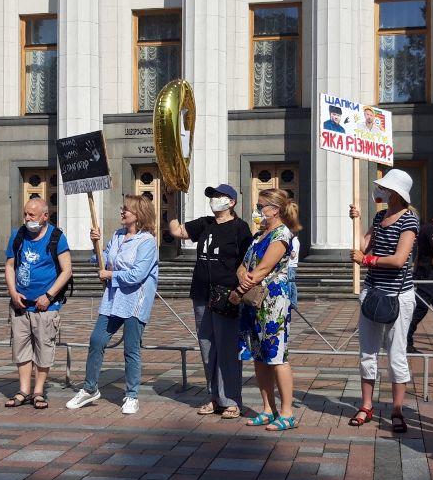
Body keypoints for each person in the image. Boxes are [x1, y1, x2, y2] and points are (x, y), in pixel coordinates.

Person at [68, 196, 160, 415]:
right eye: (122, 208)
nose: (122, 212)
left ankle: (132, 395)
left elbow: (137, 274)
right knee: (97, 340)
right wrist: (95, 244)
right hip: (112, 299)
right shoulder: (118, 235)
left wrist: (110, 275)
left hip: (135, 300)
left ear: (138, 214)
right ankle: (90, 388)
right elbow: (104, 259)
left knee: (131, 348)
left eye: (126, 209)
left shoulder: (147, 242)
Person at [169, 184, 252, 418]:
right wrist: (171, 199)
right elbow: (177, 231)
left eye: (219, 196)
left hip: (227, 295)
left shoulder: (240, 227)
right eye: (212, 196)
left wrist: (240, 289)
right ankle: (214, 397)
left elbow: (247, 259)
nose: (214, 199)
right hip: (202, 293)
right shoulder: (205, 223)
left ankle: (231, 400)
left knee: (227, 348)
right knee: (207, 348)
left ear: (231, 202)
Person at [348, 169, 419, 431]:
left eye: (386, 188)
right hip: (372, 291)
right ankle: (366, 405)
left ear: (396, 193)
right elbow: (363, 247)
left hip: (398, 296)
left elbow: (399, 260)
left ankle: (397, 409)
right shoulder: (379, 217)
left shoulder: (409, 220)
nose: (382, 192)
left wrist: (368, 260)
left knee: (396, 354)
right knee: (367, 353)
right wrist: (356, 221)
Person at [235, 188, 301, 431]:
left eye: (261, 206)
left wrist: (246, 281)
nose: (257, 210)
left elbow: (264, 268)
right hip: (254, 300)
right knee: (259, 355)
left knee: (277, 355)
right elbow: (243, 265)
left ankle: (287, 413)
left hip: (273, 301)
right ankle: (268, 409)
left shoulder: (282, 234)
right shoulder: (259, 235)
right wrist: (243, 276)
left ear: (274, 209)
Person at [4, 197, 71, 409]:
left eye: (31, 215)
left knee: (44, 348)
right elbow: (10, 265)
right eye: (25, 214)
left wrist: (49, 296)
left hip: (46, 306)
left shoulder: (56, 237)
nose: (27, 218)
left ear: (45, 216)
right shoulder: (17, 235)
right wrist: (13, 292)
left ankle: (38, 391)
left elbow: (67, 270)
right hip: (21, 305)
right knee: (21, 348)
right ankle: (23, 390)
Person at [406, 209, 433, 352]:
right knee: (422, 308)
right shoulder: (431, 229)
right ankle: (405, 340)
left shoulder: (426, 228)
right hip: (429, 275)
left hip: (429, 274)